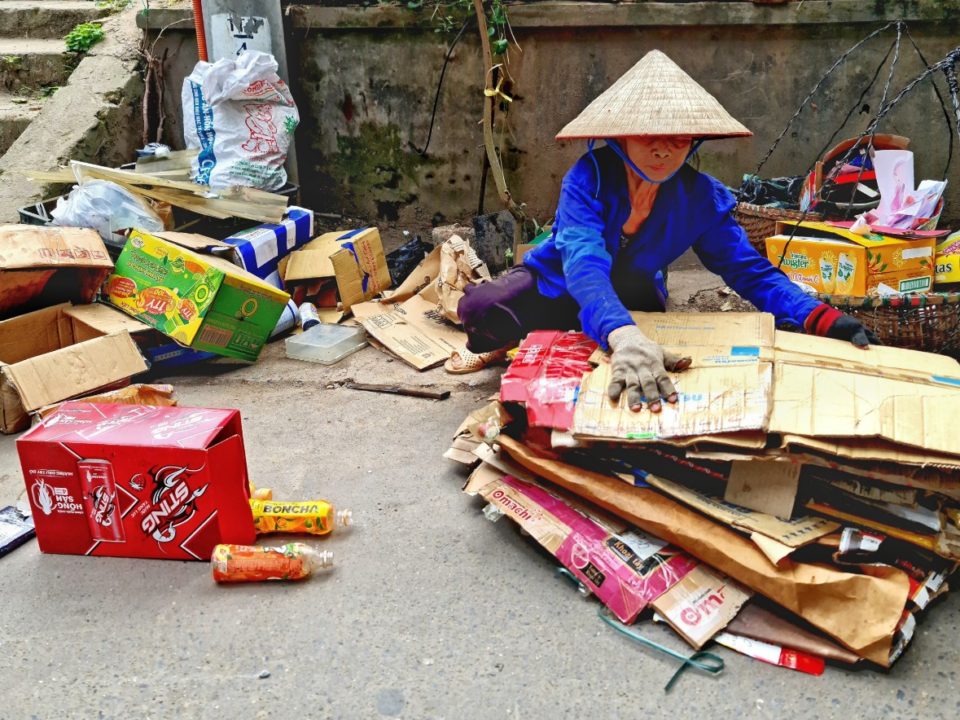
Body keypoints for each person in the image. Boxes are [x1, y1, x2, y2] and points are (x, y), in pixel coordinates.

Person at [449, 49, 878, 411]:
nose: (662, 147)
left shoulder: (700, 198)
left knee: (639, 338)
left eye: (678, 136)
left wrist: (820, 317)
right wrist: (625, 336)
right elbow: (582, 263)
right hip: (560, 283)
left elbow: (749, 270)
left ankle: (585, 333)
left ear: (694, 140)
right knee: (481, 309)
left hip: (633, 296)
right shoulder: (588, 178)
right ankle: (539, 338)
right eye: (649, 133)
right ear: (621, 137)